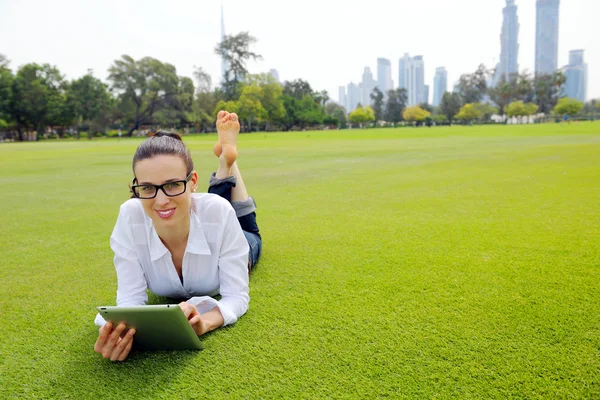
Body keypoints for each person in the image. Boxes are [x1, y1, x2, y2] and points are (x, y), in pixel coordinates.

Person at [94, 111, 261, 361]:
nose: (160, 200)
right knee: (204, 206)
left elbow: (236, 296)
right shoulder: (130, 217)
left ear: (192, 181)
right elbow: (130, 302)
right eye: (148, 188)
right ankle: (224, 162)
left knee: (247, 228)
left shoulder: (217, 212)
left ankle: (229, 160)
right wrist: (119, 333)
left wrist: (204, 323)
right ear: (136, 187)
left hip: (240, 240)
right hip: (202, 209)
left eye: (173, 184)